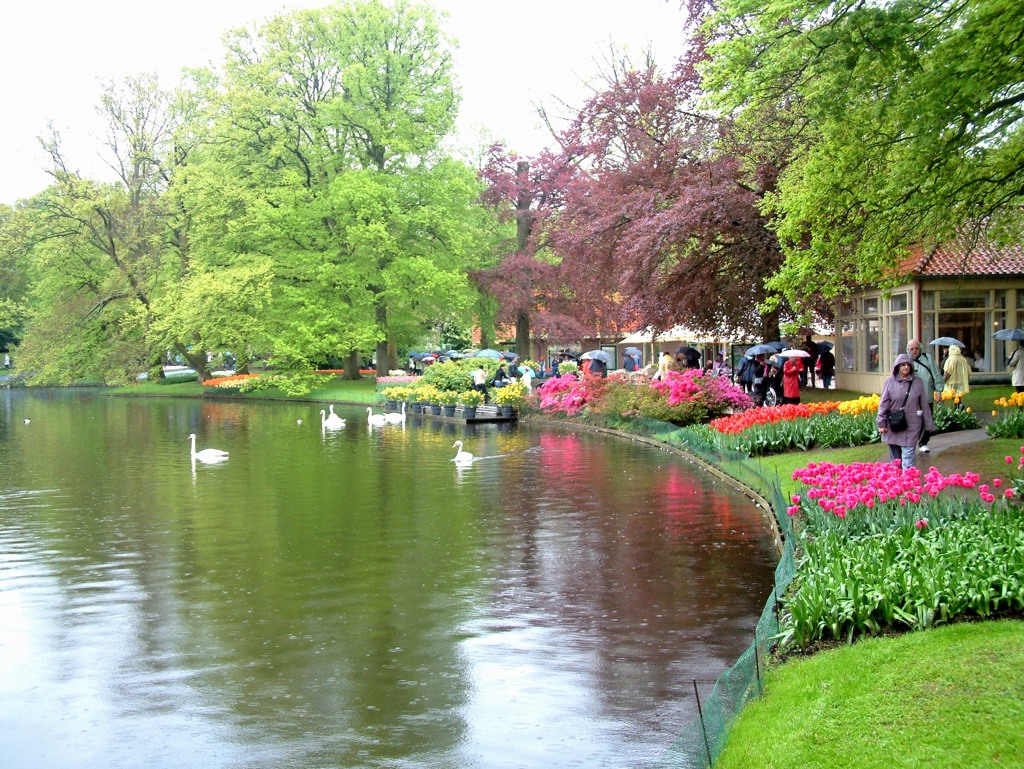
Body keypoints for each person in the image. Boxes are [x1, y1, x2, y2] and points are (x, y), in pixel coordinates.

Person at [877, 353, 935, 469]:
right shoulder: (889, 382)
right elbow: (883, 405)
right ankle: (898, 484)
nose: (906, 367)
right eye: (903, 365)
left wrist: (929, 424)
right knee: (896, 462)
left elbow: (924, 404)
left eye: (908, 365)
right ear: (897, 366)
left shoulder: (918, 382)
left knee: (908, 461)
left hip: (912, 425)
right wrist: (881, 423)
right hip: (893, 425)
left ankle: (908, 484)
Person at [907, 339, 941, 455]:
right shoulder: (906, 361)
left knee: (927, 419)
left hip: (927, 396)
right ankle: (910, 443)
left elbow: (936, 374)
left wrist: (939, 391)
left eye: (916, 348)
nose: (914, 351)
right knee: (913, 420)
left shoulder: (928, 358)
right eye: (912, 349)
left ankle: (923, 443)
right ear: (908, 350)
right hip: (913, 398)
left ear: (920, 348)